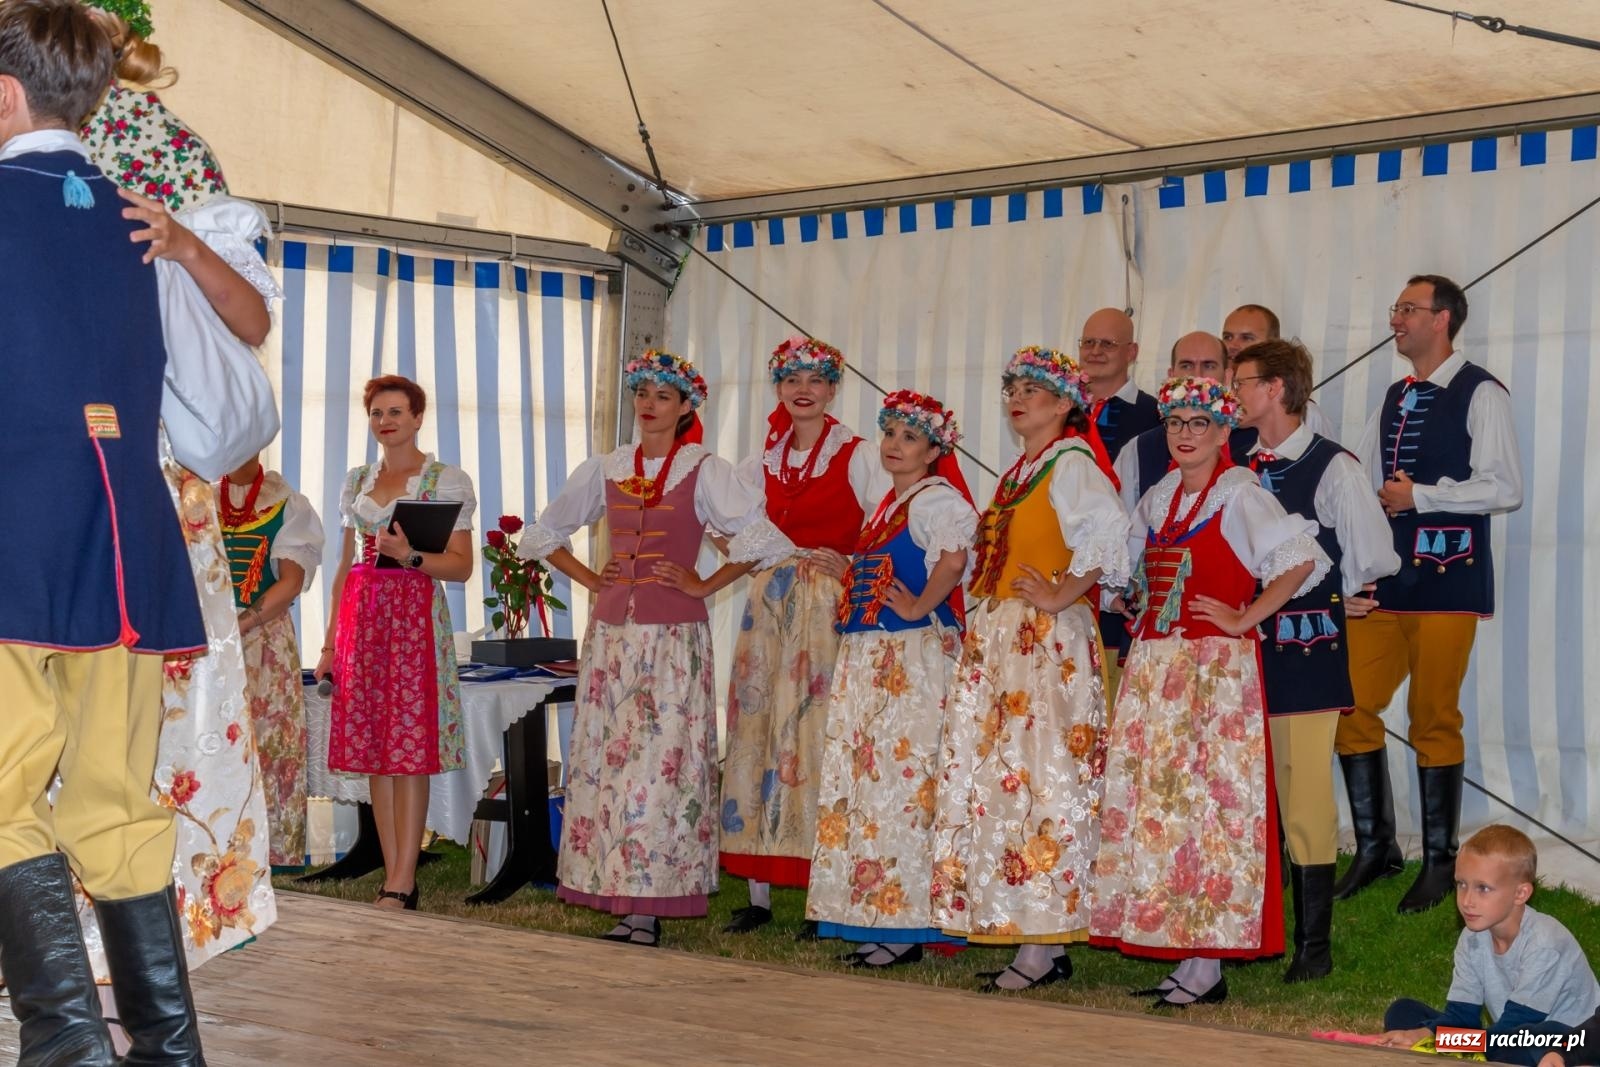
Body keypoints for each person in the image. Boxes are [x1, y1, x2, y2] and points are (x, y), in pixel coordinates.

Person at [0, 2, 207, 1062]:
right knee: (115, 803)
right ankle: (167, 1051)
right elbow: (217, 409)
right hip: (127, 544)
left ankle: (69, 1047)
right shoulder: (147, 222)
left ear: (3, 92)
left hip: (14, 541)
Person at [76, 0, 284, 1005]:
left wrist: (181, 246)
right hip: (35, 466)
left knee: (153, 733)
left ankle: (129, 980)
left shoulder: (170, 151)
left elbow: (246, 325)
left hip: (152, 480)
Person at [517, 350, 794, 946]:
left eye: (662, 396)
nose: (648, 404)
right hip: (614, 638)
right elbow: (542, 532)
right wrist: (593, 581)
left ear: (685, 407)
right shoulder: (608, 467)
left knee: (661, 766)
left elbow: (762, 541)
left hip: (673, 641)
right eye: (641, 393)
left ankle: (650, 903)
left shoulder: (704, 468)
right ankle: (621, 891)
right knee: (611, 764)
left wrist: (703, 584)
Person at [1089, 376, 1330, 1007]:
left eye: (1200, 424)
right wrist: (1135, 598)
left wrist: (1245, 617)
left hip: (1215, 674)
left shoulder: (1240, 493)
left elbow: (1301, 559)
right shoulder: (1160, 496)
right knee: (1167, 808)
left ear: (1226, 433)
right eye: (1176, 423)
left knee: (1213, 809)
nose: (1186, 435)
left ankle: (1209, 961)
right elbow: (1126, 572)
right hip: (1158, 668)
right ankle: (1184, 946)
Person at [930, 347, 1131, 991]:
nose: (1019, 397)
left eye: (1034, 389)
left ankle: (1043, 946)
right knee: (1011, 780)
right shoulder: (1026, 469)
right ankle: (1029, 931)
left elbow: (1109, 534)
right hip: (1008, 644)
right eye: (1013, 386)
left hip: (1042, 645)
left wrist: (1060, 594)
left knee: (1043, 780)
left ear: (1065, 403)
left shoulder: (1071, 464)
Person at [1335, 275, 1523, 913]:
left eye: (1408, 309)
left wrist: (1425, 496)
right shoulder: (1394, 394)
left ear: (1442, 319)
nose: (1397, 319)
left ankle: (1441, 861)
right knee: (1349, 704)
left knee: (1433, 716)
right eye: (1396, 308)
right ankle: (1376, 847)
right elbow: (1356, 477)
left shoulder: (1481, 391)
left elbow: (1505, 487)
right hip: (1387, 580)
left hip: (1449, 578)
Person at [1232, 340, 1401, 982]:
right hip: (1243, 654)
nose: (1233, 392)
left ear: (1276, 388)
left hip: (1305, 650)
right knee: (1251, 789)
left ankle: (1313, 947)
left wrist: (1338, 597)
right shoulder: (1236, 468)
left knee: (1304, 794)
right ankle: (1256, 931)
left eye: (1242, 380)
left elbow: (1373, 555)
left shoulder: (1333, 468)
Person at [719, 338, 885, 936]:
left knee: (815, 735)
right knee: (759, 734)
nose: (803, 389)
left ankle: (823, 887)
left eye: (816, 379)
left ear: (834, 389)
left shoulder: (858, 454)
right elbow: (723, 522)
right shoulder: (759, 461)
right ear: (779, 388)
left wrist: (849, 564)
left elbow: (885, 521)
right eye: (792, 380)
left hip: (824, 610)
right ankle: (758, 892)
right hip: (769, 608)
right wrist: (756, 557)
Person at [806, 390, 975, 968]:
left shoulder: (935, 498)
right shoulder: (891, 503)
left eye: (909, 437)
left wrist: (918, 606)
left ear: (934, 449)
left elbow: (954, 559)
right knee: (874, 786)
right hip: (877, 659)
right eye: (890, 434)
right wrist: (849, 570)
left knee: (905, 787)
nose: (895, 446)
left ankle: (905, 926)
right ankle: (878, 916)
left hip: (911, 660)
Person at [315, 375, 477, 910]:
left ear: (417, 418)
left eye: (396, 412)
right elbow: (343, 569)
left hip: (413, 621)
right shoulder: (357, 480)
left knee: (408, 753)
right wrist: (329, 645)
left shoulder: (444, 479)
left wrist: (407, 555)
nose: (385, 422)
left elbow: (461, 567)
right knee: (378, 755)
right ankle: (394, 873)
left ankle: (402, 880)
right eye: (377, 413)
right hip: (364, 623)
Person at [1377, 826, 1599, 1067]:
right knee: (1402, 1013)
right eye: (1461, 884)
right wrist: (1425, 1034)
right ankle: (1461, 1051)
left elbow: (1514, 1028)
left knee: (1528, 1038)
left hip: (1569, 1043)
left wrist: (1439, 1039)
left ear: (1520, 893)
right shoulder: (1472, 938)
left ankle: (1454, 1051)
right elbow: (1461, 1016)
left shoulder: (1545, 942)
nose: (1467, 900)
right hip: (1504, 1038)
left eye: (1483, 888)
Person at [219, 454, 324, 868]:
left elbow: (290, 583)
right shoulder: (200, 501)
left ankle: (266, 852)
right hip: (209, 640)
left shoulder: (286, 504)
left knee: (267, 740)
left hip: (263, 639)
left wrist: (239, 625)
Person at [1220, 304, 1335, 439]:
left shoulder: (1307, 414)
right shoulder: (1209, 399)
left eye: (1246, 338)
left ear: (1272, 343)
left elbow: (1321, 456)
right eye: (1227, 337)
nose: (1232, 345)